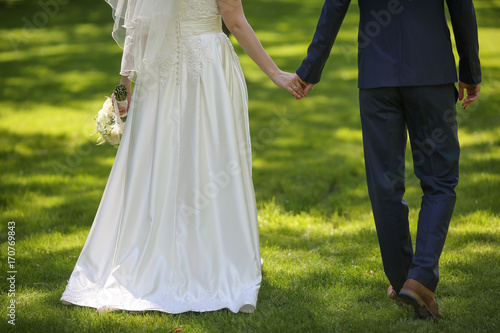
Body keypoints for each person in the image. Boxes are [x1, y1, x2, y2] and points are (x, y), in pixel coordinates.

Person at [61, 0, 305, 314]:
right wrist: (276, 74)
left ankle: (152, 256)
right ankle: (211, 256)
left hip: (159, 69)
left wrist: (123, 87)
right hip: (206, 69)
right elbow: (235, 20)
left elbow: (139, 24)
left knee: (156, 157)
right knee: (208, 160)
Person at [296, 0, 481, 320]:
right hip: (430, 73)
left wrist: (311, 68)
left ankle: (403, 281)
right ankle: (419, 278)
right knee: (439, 179)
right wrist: (470, 71)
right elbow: (461, 6)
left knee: (385, 181)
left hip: (377, 76)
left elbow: (335, 5)